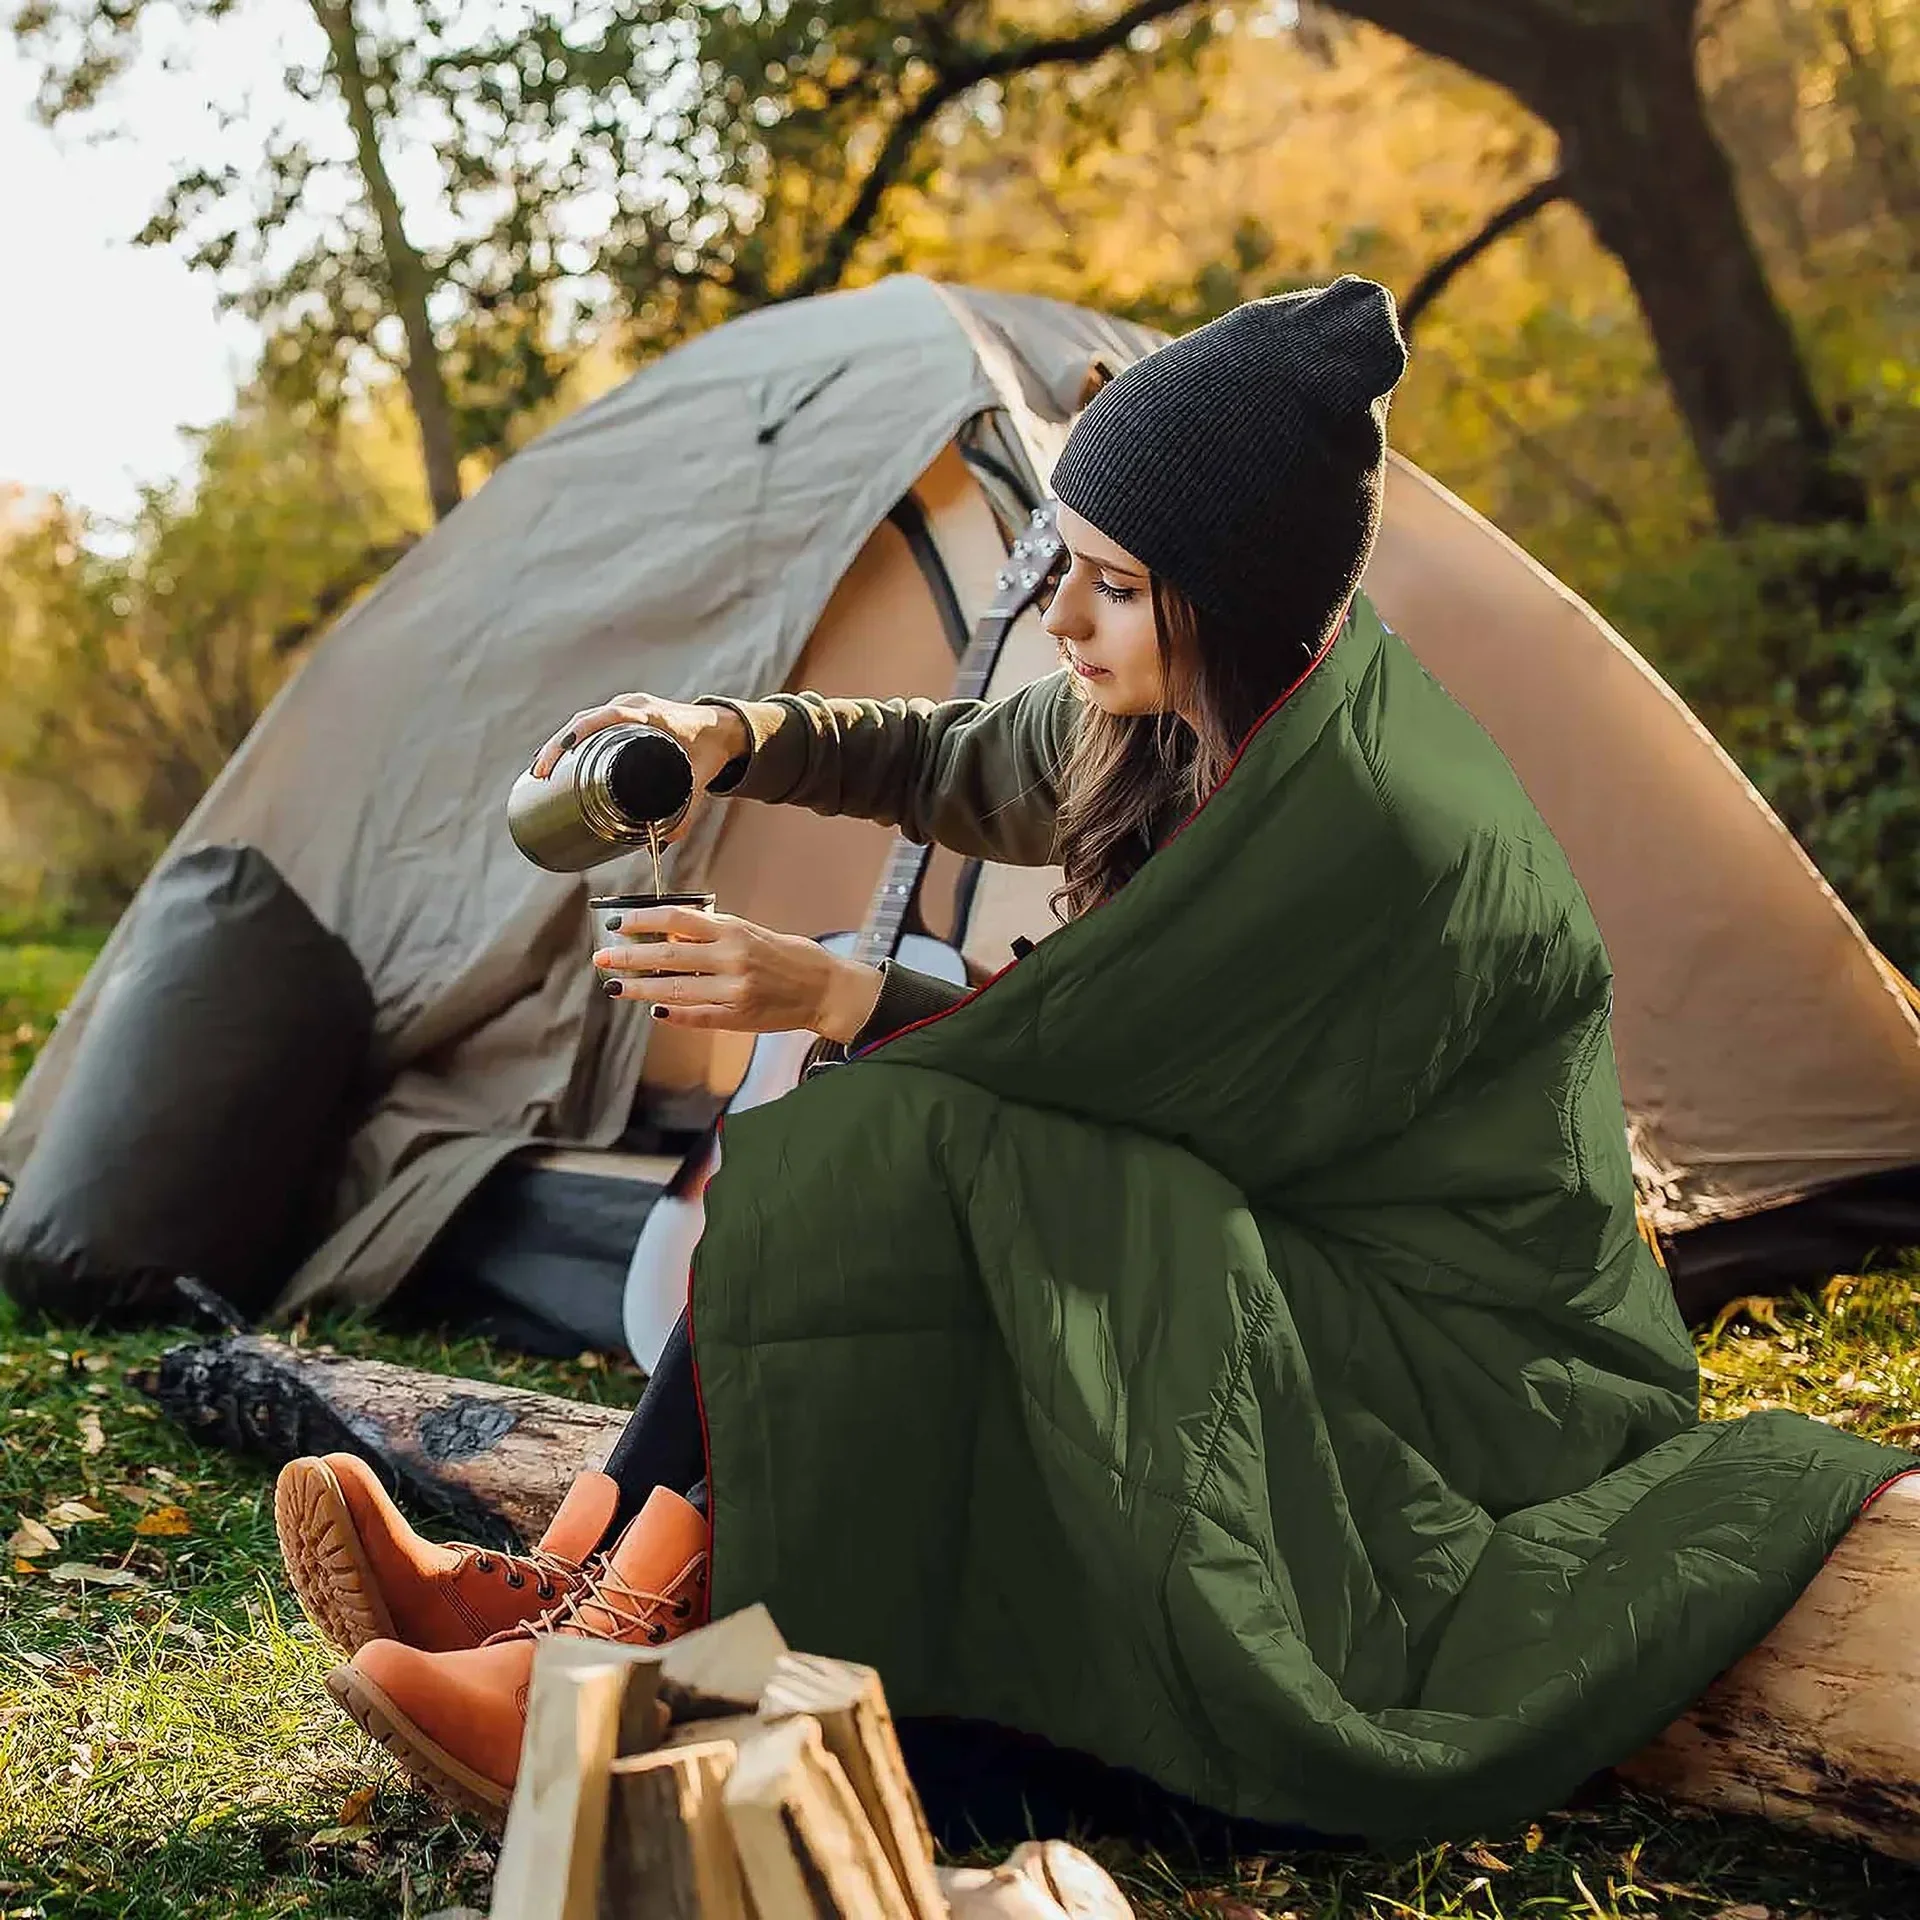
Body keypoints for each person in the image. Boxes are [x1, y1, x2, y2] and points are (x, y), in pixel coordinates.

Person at [274, 274, 1408, 1818]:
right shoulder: (1143, 734)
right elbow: (934, 751)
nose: (1063, 623)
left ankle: (619, 1654)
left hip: (1285, 1394)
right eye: (1065, 571)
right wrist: (729, 730)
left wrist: (832, 997)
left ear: (1244, 598)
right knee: (859, 1135)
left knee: (897, 1144)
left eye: (1118, 588)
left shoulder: (1340, 835)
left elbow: (1152, 1112)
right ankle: (569, 1586)